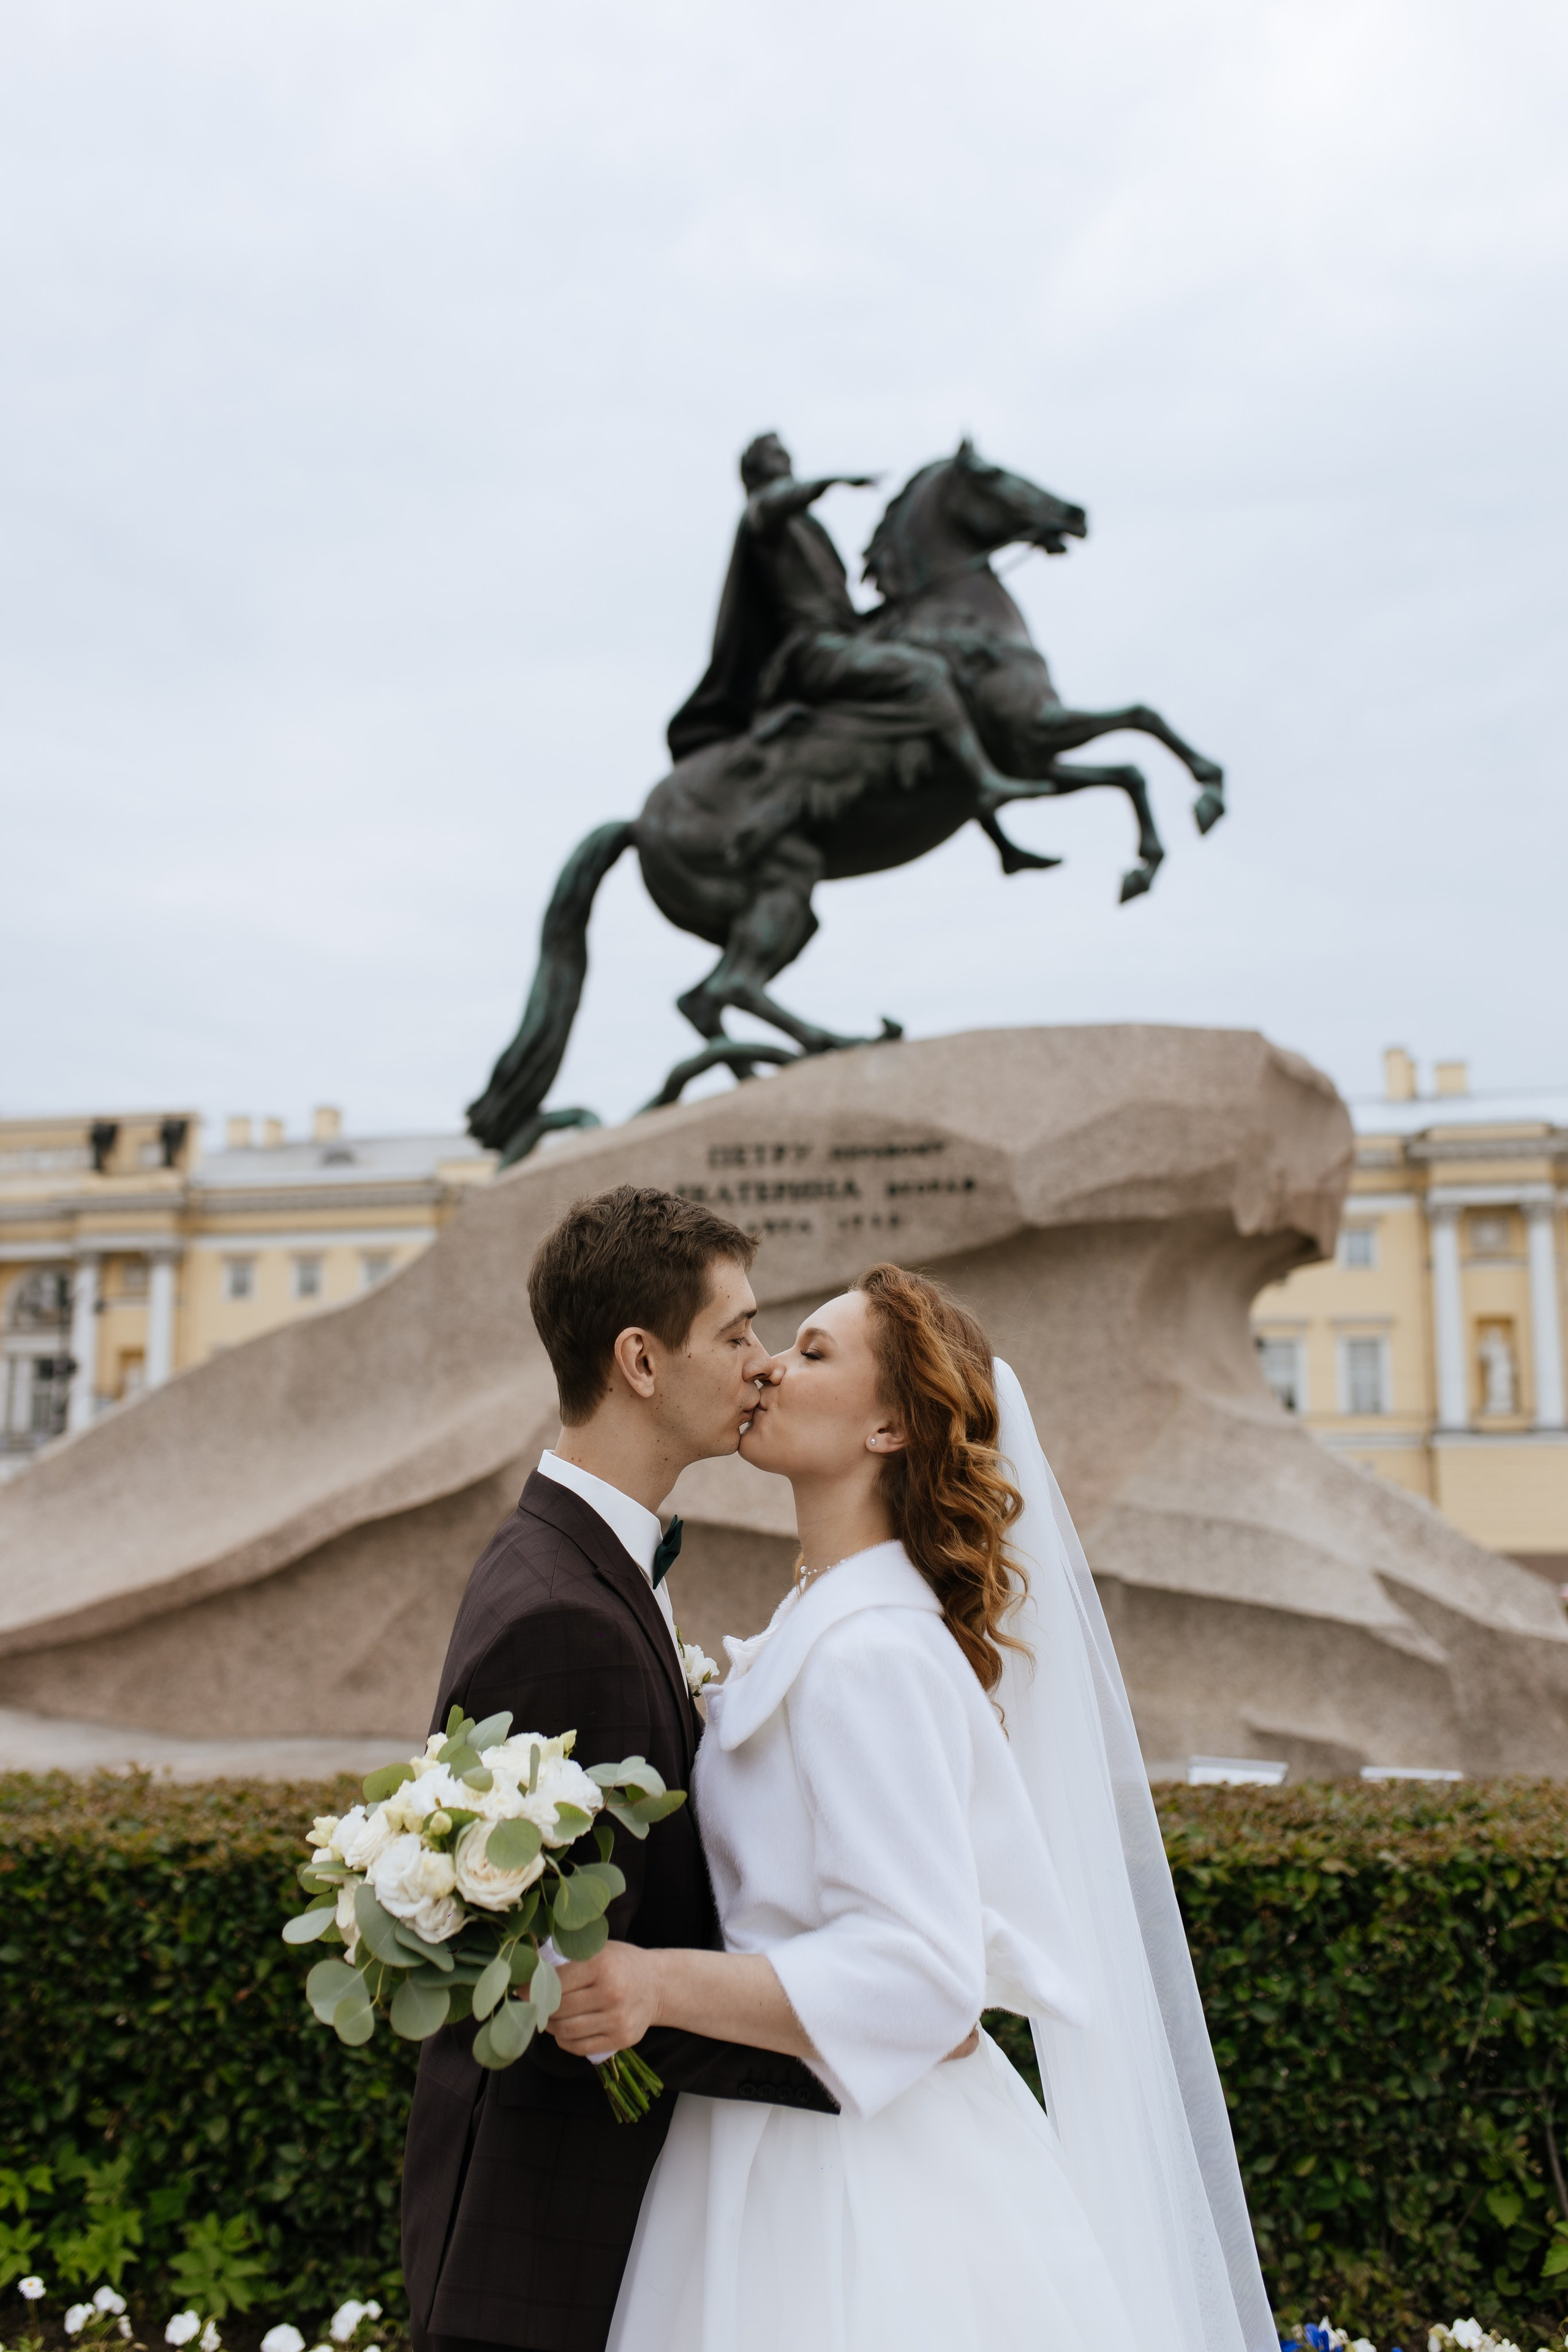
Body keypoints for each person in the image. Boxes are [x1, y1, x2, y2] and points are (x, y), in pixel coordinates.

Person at [546, 1264, 1277, 2352]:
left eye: (813, 1351)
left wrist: (656, 1982)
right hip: (773, 2135)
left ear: (889, 1426)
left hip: (853, 2180)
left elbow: (924, 1976)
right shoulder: (833, 1623)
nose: (770, 1370)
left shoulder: (872, 1653)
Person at [400, 1186, 837, 2352]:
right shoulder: (566, 1616)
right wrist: (855, 2044)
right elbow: (572, 1978)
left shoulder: (569, 1558)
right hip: (545, 2244)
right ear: (640, 1360)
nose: (762, 1363)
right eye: (735, 1333)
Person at [666, 430, 1020, 813]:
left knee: (948, 662)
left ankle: (995, 830)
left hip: (843, 636)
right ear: (754, 471)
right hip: (812, 650)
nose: (784, 460)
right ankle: (985, 781)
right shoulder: (764, 514)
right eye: (774, 456)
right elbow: (775, 502)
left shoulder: (803, 524)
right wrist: (832, 482)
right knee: (924, 674)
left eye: (785, 453)